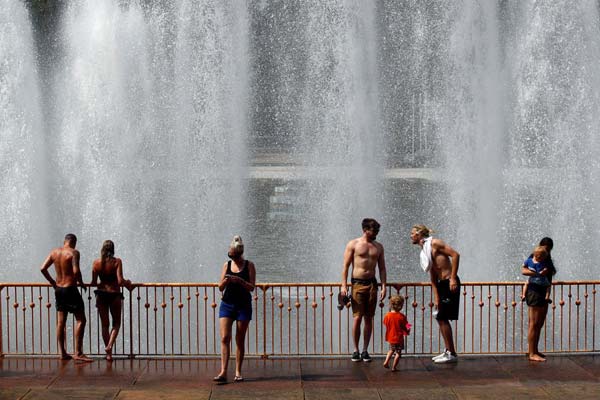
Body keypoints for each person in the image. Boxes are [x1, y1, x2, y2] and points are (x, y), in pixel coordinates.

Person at [411, 224, 460, 364]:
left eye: (413, 233)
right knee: (440, 317)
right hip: (441, 284)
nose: (411, 236)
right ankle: (448, 350)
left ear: (419, 234)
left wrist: (452, 278)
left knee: (442, 317)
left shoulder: (435, 243)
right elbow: (432, 276)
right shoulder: (425, 249)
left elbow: (455, 255)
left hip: (449, 282)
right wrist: (436, 297)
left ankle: (451, 353)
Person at [40, 233, 93, 362]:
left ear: (65, 241)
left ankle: (63, 353)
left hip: (59, 289)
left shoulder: (54, 252)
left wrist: (53, 282)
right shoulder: (74, 253)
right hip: (70, 289)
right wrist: (80, 282)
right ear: (73, 241)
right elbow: (76, 271)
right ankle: (78, 353)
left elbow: (42, 268)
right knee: (81, 320)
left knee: (61, 322)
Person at [341, 218, 387, 362]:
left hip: (372, 284)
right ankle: (355, 350)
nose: (376, 234)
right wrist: (343, 286)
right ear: (365, 230)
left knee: (369, 318)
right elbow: (346, 266)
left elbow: (382, 268)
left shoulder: (378, 247)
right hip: (357, 284)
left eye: (377, 231)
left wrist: (384, 286)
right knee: (357, 318)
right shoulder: (353, 244)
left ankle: (365, 350)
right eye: (374, 231)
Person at [214, 236, 256, 383]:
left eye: (234, 255)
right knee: (225, 338)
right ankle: (223, 372)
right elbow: (220, 287)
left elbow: (252, 287)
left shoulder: (249, 265)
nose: (232, 257)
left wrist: (240, 281)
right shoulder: (226, 265)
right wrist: (225, 281)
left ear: (240, 254)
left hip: (243, 306)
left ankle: (238, 371)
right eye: (230, 255)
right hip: (227, 304)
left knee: (239, 339)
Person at [90, 240, 133, 361]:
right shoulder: (117, 262)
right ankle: (109, 347)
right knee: (116, 323)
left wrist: (100, 284)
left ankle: (108, 354)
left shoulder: (96, 263)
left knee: (105, 325)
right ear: (113, 249)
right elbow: (120, 281)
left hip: (101, 294)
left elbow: (93, 283)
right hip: (114, 294)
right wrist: (127, 283)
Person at [522, 237, 556, 362]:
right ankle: (531, 353)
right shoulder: (535, 256)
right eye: (545, 248)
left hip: (543, 293)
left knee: (539, 323)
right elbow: (524, 270)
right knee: (533, 323)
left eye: (549, 249)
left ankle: (534, 350)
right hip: (535, 292)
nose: (547, 251)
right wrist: (537, 273)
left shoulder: (547, 258)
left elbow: (549, 277)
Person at [382, 295, 411, 371]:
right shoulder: (402, 316)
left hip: (390, 337)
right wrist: (408, 330)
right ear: (400, 306)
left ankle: (386, 361)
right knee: (398, 353)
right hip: (399, 338)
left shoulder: (387, 315)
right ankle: (394, 367)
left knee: (391, 350)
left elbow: (385, 323)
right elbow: (407, 325)